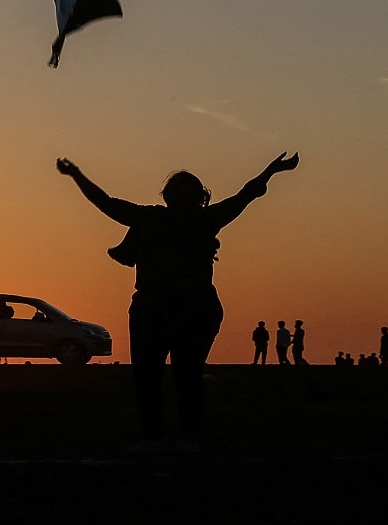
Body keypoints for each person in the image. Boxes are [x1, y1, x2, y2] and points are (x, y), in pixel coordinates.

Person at [56, 151, 299, 451]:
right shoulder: (195, 219)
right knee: (165, 374)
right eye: (178, 187)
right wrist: (272, 170)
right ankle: (166, 438)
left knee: (176, 374)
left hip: (183, 307)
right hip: (166, 307)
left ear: (192, 197)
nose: (180, 192)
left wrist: (76, 174)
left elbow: (105, 202)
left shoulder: (166, 218)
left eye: (184, 188)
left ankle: (173, 437)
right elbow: (246, 194)